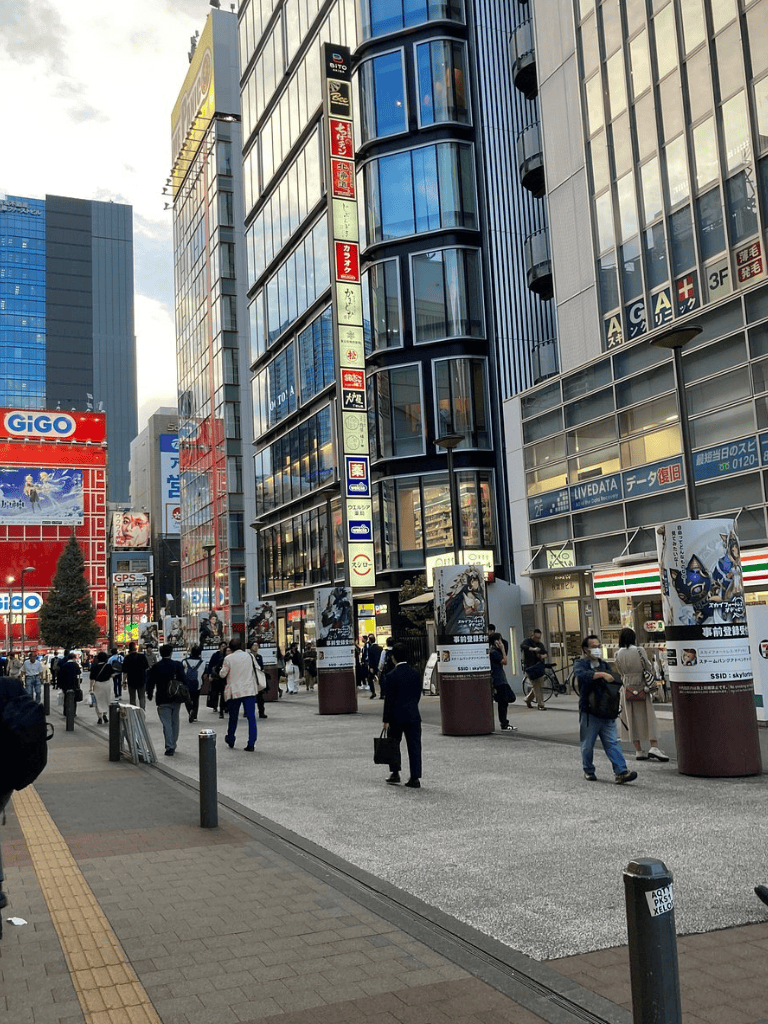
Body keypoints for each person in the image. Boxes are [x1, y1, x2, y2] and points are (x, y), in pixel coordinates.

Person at [575, 635, 637, 784]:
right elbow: (581, 676)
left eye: (598, 646)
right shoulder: (581, 664)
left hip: (606, 710)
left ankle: (621, 771)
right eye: (593, 647)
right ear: (585, 649)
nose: (597, 649)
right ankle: (588, 770)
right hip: (590, 711)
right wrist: (600, 675)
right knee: (588, 744)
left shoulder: (605, 664)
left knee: (612, 742)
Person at [615, 628, 669, 763]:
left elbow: (620, 671)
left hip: (627, 687)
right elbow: (648, 667)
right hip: (642, 687)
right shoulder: (639, 650)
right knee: (647, 716)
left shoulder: (618, 654)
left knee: (630, 718)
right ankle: (654, 747)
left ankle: (639, 750)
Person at [382, 644, 423, 788]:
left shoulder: (391, 676)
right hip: (413, 715)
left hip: (395, 716)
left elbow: (389, 700)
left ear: (393, 658)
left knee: (393, 744)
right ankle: (415, 777)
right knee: (415, 746)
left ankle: (395, 773)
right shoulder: (415, 673)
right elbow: (417, 695)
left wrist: (386, 719)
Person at [146, 644, 188, 756]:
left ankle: (169, 746)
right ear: (171, 652)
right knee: (175, 721)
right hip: (176, 697)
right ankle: (173, 743)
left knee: (167, 723)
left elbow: (150, 682)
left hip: (162, 697)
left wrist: (149, 693)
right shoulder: (177, 665)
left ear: (160, 653)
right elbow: (184, 680)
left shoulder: (156, 667)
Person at [219, 636, 259, 751]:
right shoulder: (249, 656)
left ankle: (231, 738)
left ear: (230, 648)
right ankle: (251, 743)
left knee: (233, 716)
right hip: (249, 689)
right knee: (251, 717)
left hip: (235, 691)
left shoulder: (228, 659)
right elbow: (257, 668)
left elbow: (223, 674)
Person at [489, 632, 516, 731]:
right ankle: (504, 724)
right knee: (504, 701)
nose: (501, 642)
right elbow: (505, 661)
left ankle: (504, 723)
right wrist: (503, 649)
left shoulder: (493, 652)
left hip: (499, 679)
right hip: (499, 680)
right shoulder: (494, 653)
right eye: (500, 640)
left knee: (504, 701)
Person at [521, 628, 547, 710]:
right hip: (530, 667)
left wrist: (542, 656)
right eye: (536, 637)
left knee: (537, 686)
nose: (538, 639)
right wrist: (533, 649)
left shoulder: (540, 644)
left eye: (539, 637)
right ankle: (540, 704)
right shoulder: (526, 642)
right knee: (537, 685)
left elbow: (545, 653)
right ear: (532, 635)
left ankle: (527, 699)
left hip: (538, 667)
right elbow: (523, 646)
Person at [89, 651, 115, 725]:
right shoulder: (108, 666)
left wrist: (90, 688)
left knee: (98, 701)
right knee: (106, 700)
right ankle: (105, 715)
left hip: (98, 685)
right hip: (106, 685)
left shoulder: (94, 667)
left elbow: (91, 679)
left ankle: (99, 717)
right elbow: (113, 675)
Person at [122, 641, 149, 709]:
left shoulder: (127, 658)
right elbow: (147, 668)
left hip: (131, 680)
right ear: (135, 648)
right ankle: (142, 712)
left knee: (132, 698)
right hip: (141, 680)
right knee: (142, 697)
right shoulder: (142, 656)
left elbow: (125, 672)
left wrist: (123, 681)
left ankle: (133, 713)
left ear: (129, 649)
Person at [182, 644, 205, 723]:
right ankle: (195, 715)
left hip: (186, 683)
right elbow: (204, 674)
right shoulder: (202, 662)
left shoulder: (185, 661)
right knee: (196, 699)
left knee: (187, 699)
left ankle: (190, 710)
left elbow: (182, 672)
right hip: (197, 683)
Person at [205, 641, 228, 718]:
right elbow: (211, 665)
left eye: (225, 646)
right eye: (222, 646)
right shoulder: (215, 655)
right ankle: (214, 706)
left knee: (223, 693)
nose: (223, 648)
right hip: (216, 676)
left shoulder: (227, 657)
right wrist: (210, 675)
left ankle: (224, 707)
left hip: (224, 677)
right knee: (214, 692)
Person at [246, 641, 269, 718]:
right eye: (254, 645)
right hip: (249, 678)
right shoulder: (247, 656)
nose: (256, 647)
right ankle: (247, 711)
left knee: (260, 697)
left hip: (257, 678)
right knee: (249, 696)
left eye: (257, 645)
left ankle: (261, 712)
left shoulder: (259, 657)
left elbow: (261, 667)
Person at [367, 634, 382, 699]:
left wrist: (371, 667)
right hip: (379, 665)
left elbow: (370, 659)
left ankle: (373, 692)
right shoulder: (380, 648)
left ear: (370, 641)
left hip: (373, 666)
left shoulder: (370, 649)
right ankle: (382, 693)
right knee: (381, 680)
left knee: (370, 679)